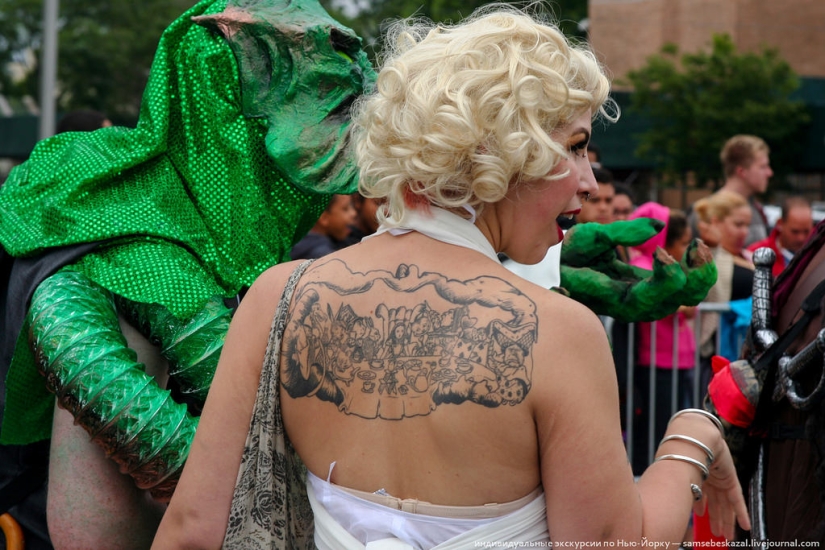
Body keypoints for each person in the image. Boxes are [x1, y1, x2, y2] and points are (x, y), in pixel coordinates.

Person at [154, 7, 748, 548]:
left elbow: (191, 531)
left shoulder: (277, 298)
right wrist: (693, 439)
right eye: (575, 146)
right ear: (506, 150)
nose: (589, 182)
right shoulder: (560, 334)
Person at [628, 204, 697, 473]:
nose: (687, 249)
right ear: (662, 241)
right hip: (656, 363)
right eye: (683, 242)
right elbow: (682, 306)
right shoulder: (642, 266)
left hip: (677, 361)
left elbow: (689, 309)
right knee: (656, 432)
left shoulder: (668, 267)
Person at [696, 191, 755, 384]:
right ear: (716, 222)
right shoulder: (707, 258)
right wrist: (713, 245)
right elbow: (712, 289)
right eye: (738, 224)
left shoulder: (749, 256)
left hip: (747, 357)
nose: (744, 232)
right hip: (715, 358)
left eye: (747, 225)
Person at [690, 135, 773, 248]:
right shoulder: (703, 212)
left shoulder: (757, 210)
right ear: (741, 171)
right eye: (763, 167)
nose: (769, 173)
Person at [747, 196, 814, 277]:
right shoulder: (756, 254)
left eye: (806, 231)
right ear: (780, 223)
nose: (801, 238)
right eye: (795, 232)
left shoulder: (819, 253)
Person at [290, 193, 357, 259]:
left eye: (351, 206)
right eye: (345, 209)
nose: (354, 213)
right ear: (324, 218)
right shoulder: (324, 255)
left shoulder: (300, 242)